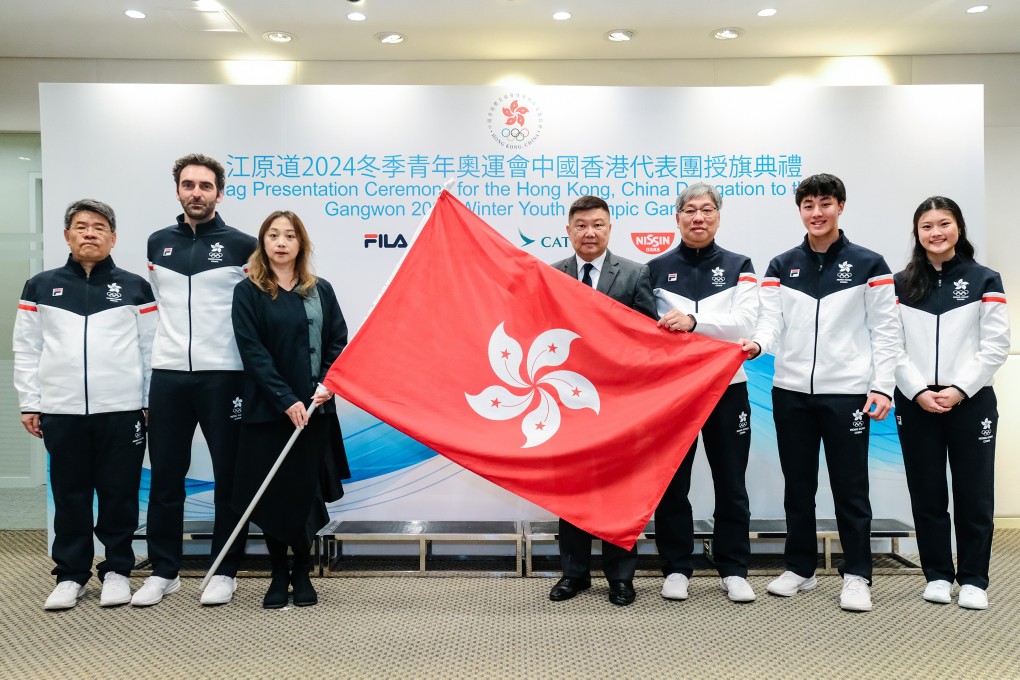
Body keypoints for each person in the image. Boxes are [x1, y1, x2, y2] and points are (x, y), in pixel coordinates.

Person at [740, 173, 900, 612]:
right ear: (800, 211)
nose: (817, 212)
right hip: (791, 391)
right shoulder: (780, 264)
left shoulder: (870, 264)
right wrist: (758, 344)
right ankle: (801, 568)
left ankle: (858, 574)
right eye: (808, 205)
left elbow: (887, 332)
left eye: (825, 203)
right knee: (799, 486)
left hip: (848, 393)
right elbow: (770, 322)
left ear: (841, 207)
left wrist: (882, 387)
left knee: (851, 488)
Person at [14, 199, 157, 610]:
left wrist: (148, 402)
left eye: (98, 227)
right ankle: (71, 574)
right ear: (66, 236)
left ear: (113, 238)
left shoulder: (134, 287)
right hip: (62, 409)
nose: (89, 233)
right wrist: (31, 402)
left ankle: (116, 570)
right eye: (80, 226)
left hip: (123, 409)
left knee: (119, 493)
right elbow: (26, 348)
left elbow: (150, 349)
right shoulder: (40, 286)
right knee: (70, 493)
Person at [133, 154, 258, 607]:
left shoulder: (243, 245)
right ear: (178, 190)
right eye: (188, 185)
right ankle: (164, 571)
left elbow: (252, 312)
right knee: (166, 476)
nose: (196, 193)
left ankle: (225, 568)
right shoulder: (157, 243)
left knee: (230, 476)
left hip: (224, 376)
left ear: (219, 193)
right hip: (168, 375)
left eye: (206, 186)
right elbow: (155, 313)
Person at [893, 196, 1009, 611]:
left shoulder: (984, 279)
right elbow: (891, 345)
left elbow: (996, 346)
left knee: (974, 493)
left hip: (972, 400)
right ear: (917, 233)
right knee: (927, 493)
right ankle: (938, 575)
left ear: (958, 227)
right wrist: (918, 391)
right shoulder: (900, 283)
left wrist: (960, 389)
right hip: (915, 401)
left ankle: (975, 578)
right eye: (927, 226)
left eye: (944, 224)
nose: (936, 233)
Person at [231, 210, 349, 609]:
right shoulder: (248, 291)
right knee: (272, 496)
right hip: (269, 411)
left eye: (290, 236)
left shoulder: (321, 290)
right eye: (273, 235)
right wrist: (286, 400)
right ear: (263, 242)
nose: (281, 242)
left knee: (304, 495)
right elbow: (253, 352)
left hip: (314, 410)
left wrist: (326, 385)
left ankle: (303, 571)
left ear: (301, 243)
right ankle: (277, 574)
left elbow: (338, 341)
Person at [647, 183, 758, 603]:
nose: (699, 217)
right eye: (690, 210)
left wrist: (694, 321)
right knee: (673, 483)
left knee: (732, 482)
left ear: (717, 216)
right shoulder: (655, 269)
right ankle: (677, 566)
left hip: (728, 389)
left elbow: (744, 324)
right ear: (677, 218)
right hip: (673, 393)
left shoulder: (739, 264)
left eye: (707, 210)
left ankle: (734, 568)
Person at [547, 194, 657, 607]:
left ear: (609, 229)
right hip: (565, 403)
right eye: (581, 225)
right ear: (569, 230)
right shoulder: (551, 275)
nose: (589, 232)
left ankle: (621, 577)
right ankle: (574, 574)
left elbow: (650, 342)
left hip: (618, 405)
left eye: (597, 224)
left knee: (619, 491)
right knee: (571, 490)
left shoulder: (634, 273)